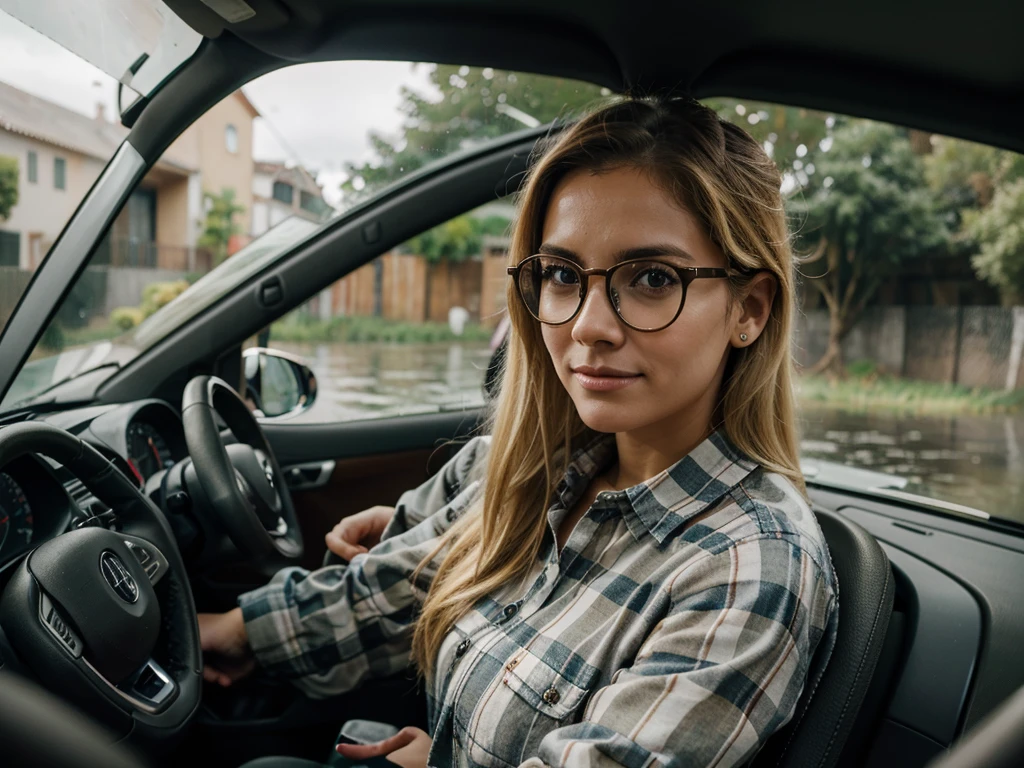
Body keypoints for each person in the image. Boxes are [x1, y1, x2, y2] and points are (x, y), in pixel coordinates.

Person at [199, 96, 839, 768]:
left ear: (749, 308)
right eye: (563, 275)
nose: (588, 325)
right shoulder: (548, 468)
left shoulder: (747, 567)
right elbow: (401, 587)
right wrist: (237, 631)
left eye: (652, 278)